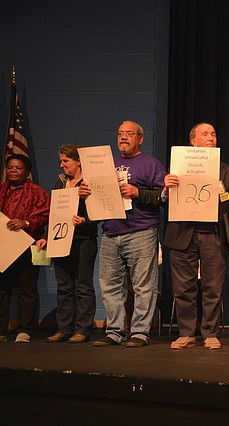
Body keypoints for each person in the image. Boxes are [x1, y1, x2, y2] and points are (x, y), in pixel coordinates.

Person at [79, 120, 166, 348]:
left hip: (141, 231)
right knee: (110, 286)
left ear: (140, 139)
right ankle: (115, 332)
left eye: (129, 134)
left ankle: (139, 333)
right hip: (110, 231)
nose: (123, 137)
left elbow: (163, 198)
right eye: (120, 133)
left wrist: (138, 192)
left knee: (143, 286)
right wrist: (84, 192)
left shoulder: (151, 164)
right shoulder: (106, 165)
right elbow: (95, 197)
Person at [163, 122, 229, 350]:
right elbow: (164, 200)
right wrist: (167, 188)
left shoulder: (228, 172)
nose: (211, 138)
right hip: (183, 234)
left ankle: (210, 332)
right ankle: (186, 333)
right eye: (205, 134)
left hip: (214, 236)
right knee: (183, 288)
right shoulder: (177, 169)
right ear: (193, 141)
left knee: (213, 288)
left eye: (213, 134)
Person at [36, 144, 99, 343]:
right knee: (64, 286)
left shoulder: (88, 184)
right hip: (61, 240)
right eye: (61, 161)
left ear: (78, 161)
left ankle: (82, 329)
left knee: (83, 286)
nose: (62, 165)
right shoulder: (60, 184)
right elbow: (56, 214)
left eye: (66, 161)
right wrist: (47, 235)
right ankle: (64, 328)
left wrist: (85, 221)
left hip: (83, 240)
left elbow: (99, 212)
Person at [0, 154, 49, 343]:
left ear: (27, 171)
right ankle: (2, 330)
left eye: (18, 168)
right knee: (2, 289)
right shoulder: (2, 190)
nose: (13, 171)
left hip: (27, 245)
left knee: (26, 289)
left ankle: (25, 329)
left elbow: (46, 214)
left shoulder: (36, 192)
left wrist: (26, 222)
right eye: (10, 167)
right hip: (4, 247)